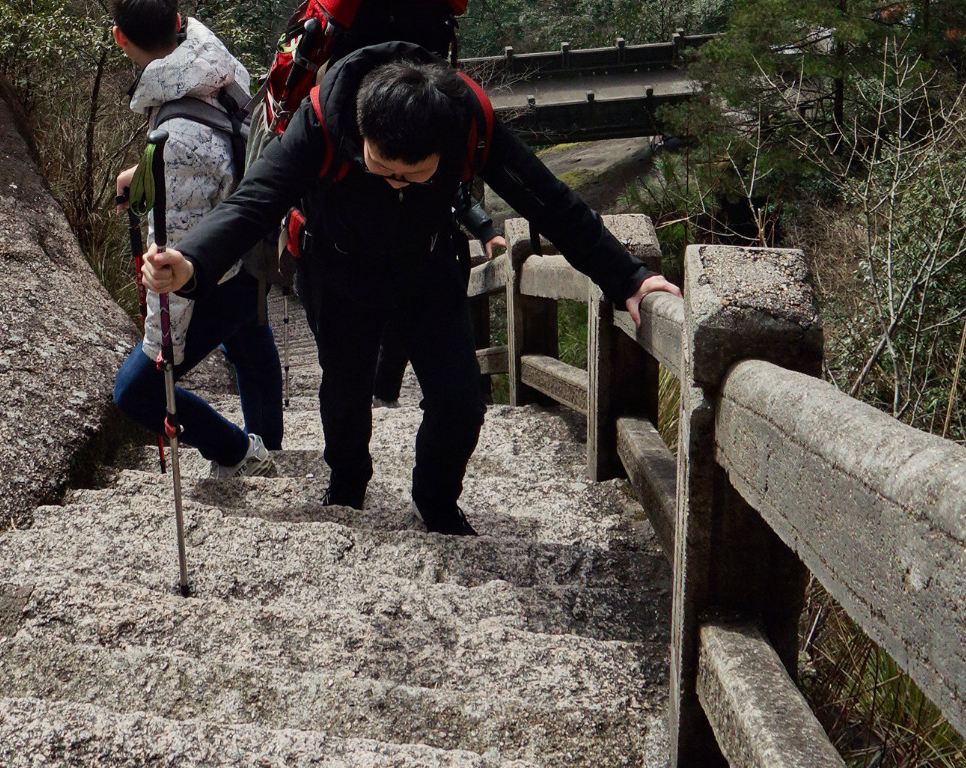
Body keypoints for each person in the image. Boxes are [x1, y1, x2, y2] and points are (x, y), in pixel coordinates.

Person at [143, 43, 681, 533]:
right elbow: (255, 198)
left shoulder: (465, 120)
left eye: (414, 173)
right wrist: (191, 262)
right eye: (382, 167)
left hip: (426, 269)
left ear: (444, 150)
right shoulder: (323, 119)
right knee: (345, 389)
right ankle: (347, 486)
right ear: (361, 132)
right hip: (339, 272)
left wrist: (628, 277)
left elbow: (547, 199)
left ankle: (437, 502)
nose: (396, 181)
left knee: (460, 400)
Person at [110, 0, 282, 478]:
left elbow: (173, 267)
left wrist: (163, 347)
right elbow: (221, 151)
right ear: (179, 22)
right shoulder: (221, 70)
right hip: (250, 247)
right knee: (249, 339)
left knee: (136, 391)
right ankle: (267, 446)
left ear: (121, 37)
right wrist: (145, 174)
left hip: (214, 272)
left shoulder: (172, 139)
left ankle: (236, 451)